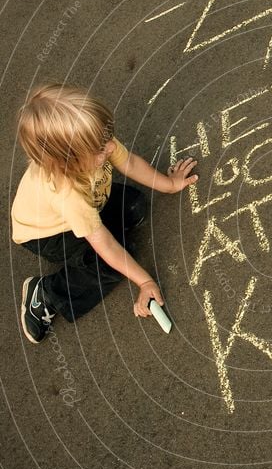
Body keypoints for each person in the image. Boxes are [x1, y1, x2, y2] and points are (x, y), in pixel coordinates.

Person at [11, 83, 198, 344]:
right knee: (108, 266)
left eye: (106, 139)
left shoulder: (94, 142)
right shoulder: (66, 193)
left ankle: (92, 244)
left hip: (92, 204)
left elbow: (129, 162)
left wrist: (170, 185)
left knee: (135, 206)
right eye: (100, 149)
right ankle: (46, 293)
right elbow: (106, 245)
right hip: (48, 234)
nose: (110, 148)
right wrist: (144, 282)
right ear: (68, 161)